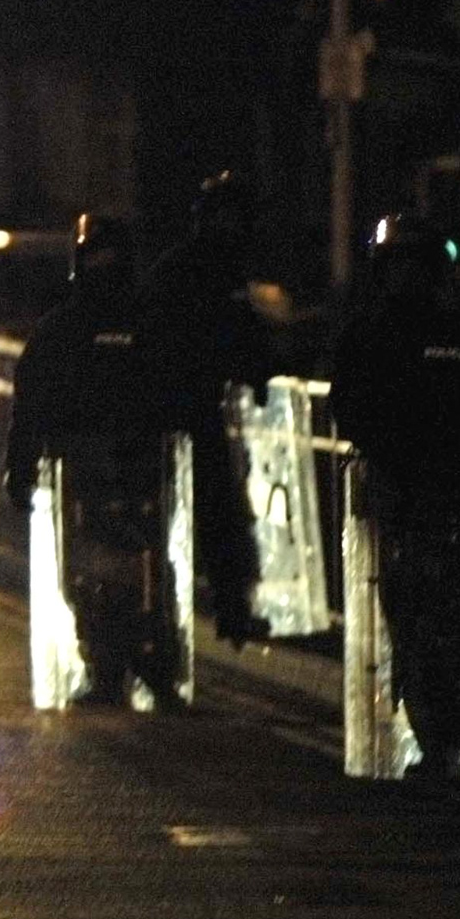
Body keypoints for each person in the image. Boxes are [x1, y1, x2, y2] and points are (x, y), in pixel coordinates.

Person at [331, 213, 460, 782]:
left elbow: (353, 409)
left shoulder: (376, 334)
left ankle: (449, 738)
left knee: (424, 614)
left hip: (422, 495)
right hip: (453, 493)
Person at [4, 213, 193, 706]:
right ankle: (124, 666)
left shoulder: (77, 327)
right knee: (96, 573)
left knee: (131, 569)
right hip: (102, 471)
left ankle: (135, 666)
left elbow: (30, 403)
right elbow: (32, 402)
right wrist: (22, 467)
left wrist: (21, 469)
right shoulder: (123, 324)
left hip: (128, 471)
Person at [142, 170, 275, 648]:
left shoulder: (201, 266)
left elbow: (243, 335)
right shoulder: (204, 268)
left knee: (211, 511)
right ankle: (215, 610)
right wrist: (258, 370)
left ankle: (225, 609)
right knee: (207, 510)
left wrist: (259, 372)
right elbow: (235, 332)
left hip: (186, 403)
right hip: (181, 404)